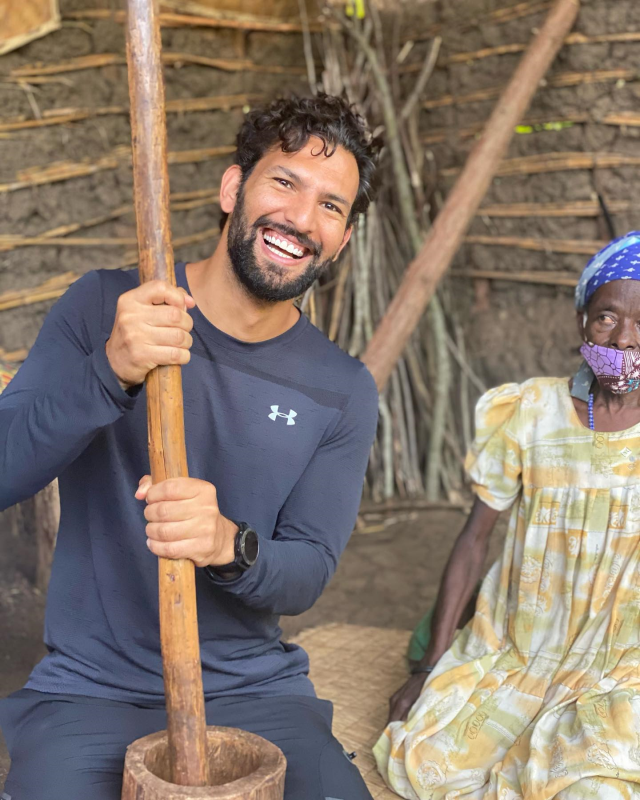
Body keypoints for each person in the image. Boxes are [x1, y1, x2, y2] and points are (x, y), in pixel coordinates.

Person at [0, 94, 380, 800]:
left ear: (344, 239)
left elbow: (309, 570)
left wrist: (229, 544)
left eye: (332, 207)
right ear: (234, 188)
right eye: (286, 182)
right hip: (91, 690)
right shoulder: (108, 309)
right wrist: (107, 370)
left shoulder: (342, 390)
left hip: (254, 694)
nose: (301, 219)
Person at [375, 232, 640, 799]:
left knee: (591, 786)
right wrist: (429, 664)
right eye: (606, 319)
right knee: (428, 760)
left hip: (622, 665)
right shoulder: (530, 411)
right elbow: (475, 540)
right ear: (580, 323)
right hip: (520, 648)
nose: (622, 340)